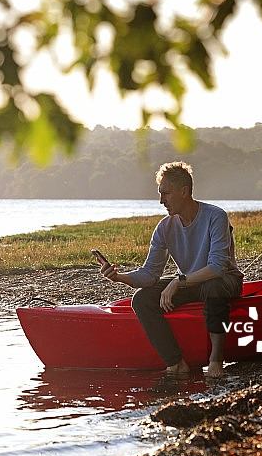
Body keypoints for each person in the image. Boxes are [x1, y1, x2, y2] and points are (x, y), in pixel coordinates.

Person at [100, 161, 243, 378]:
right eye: (160, 194)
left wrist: (178, 282)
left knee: (214, 286)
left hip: (225, 280)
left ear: (184, 191)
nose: (161, 200)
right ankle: (176, 363)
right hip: (193, 282)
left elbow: (218, 267)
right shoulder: (164, 227)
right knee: (142, 299)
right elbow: (149, 274)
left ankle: (216, 360)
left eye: (165, 193)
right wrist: (119, 277)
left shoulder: (216, 216)